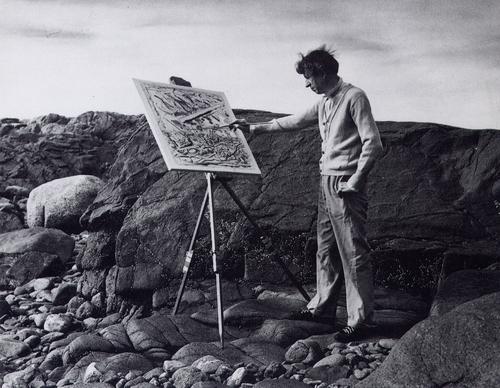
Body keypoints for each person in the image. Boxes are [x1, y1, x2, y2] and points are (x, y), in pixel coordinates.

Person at [233, 46, 383, 342]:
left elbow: (374, 144)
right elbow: (294, 120)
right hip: (326, 180)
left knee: (353, 252)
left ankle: (361, 320)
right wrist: (253, 128)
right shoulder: (325, 102)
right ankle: (323, 308)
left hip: (345, 183)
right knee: (325, 248)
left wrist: (355, 180)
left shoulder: (355, 97)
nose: (306, 83)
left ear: (322, 73)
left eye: (309, 77)